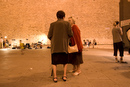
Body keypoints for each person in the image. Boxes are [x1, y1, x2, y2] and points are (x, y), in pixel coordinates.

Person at [48, 10, 73, 82]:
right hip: (64, 46)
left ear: (57, 16)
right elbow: (71, 34)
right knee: (65, 62)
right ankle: (64, 76)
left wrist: (54, 40)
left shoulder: (52, 24)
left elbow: (49, 35)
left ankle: (55, 77)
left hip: (55, 47)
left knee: (54, 62)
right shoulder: (67, 24)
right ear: (64, 17)